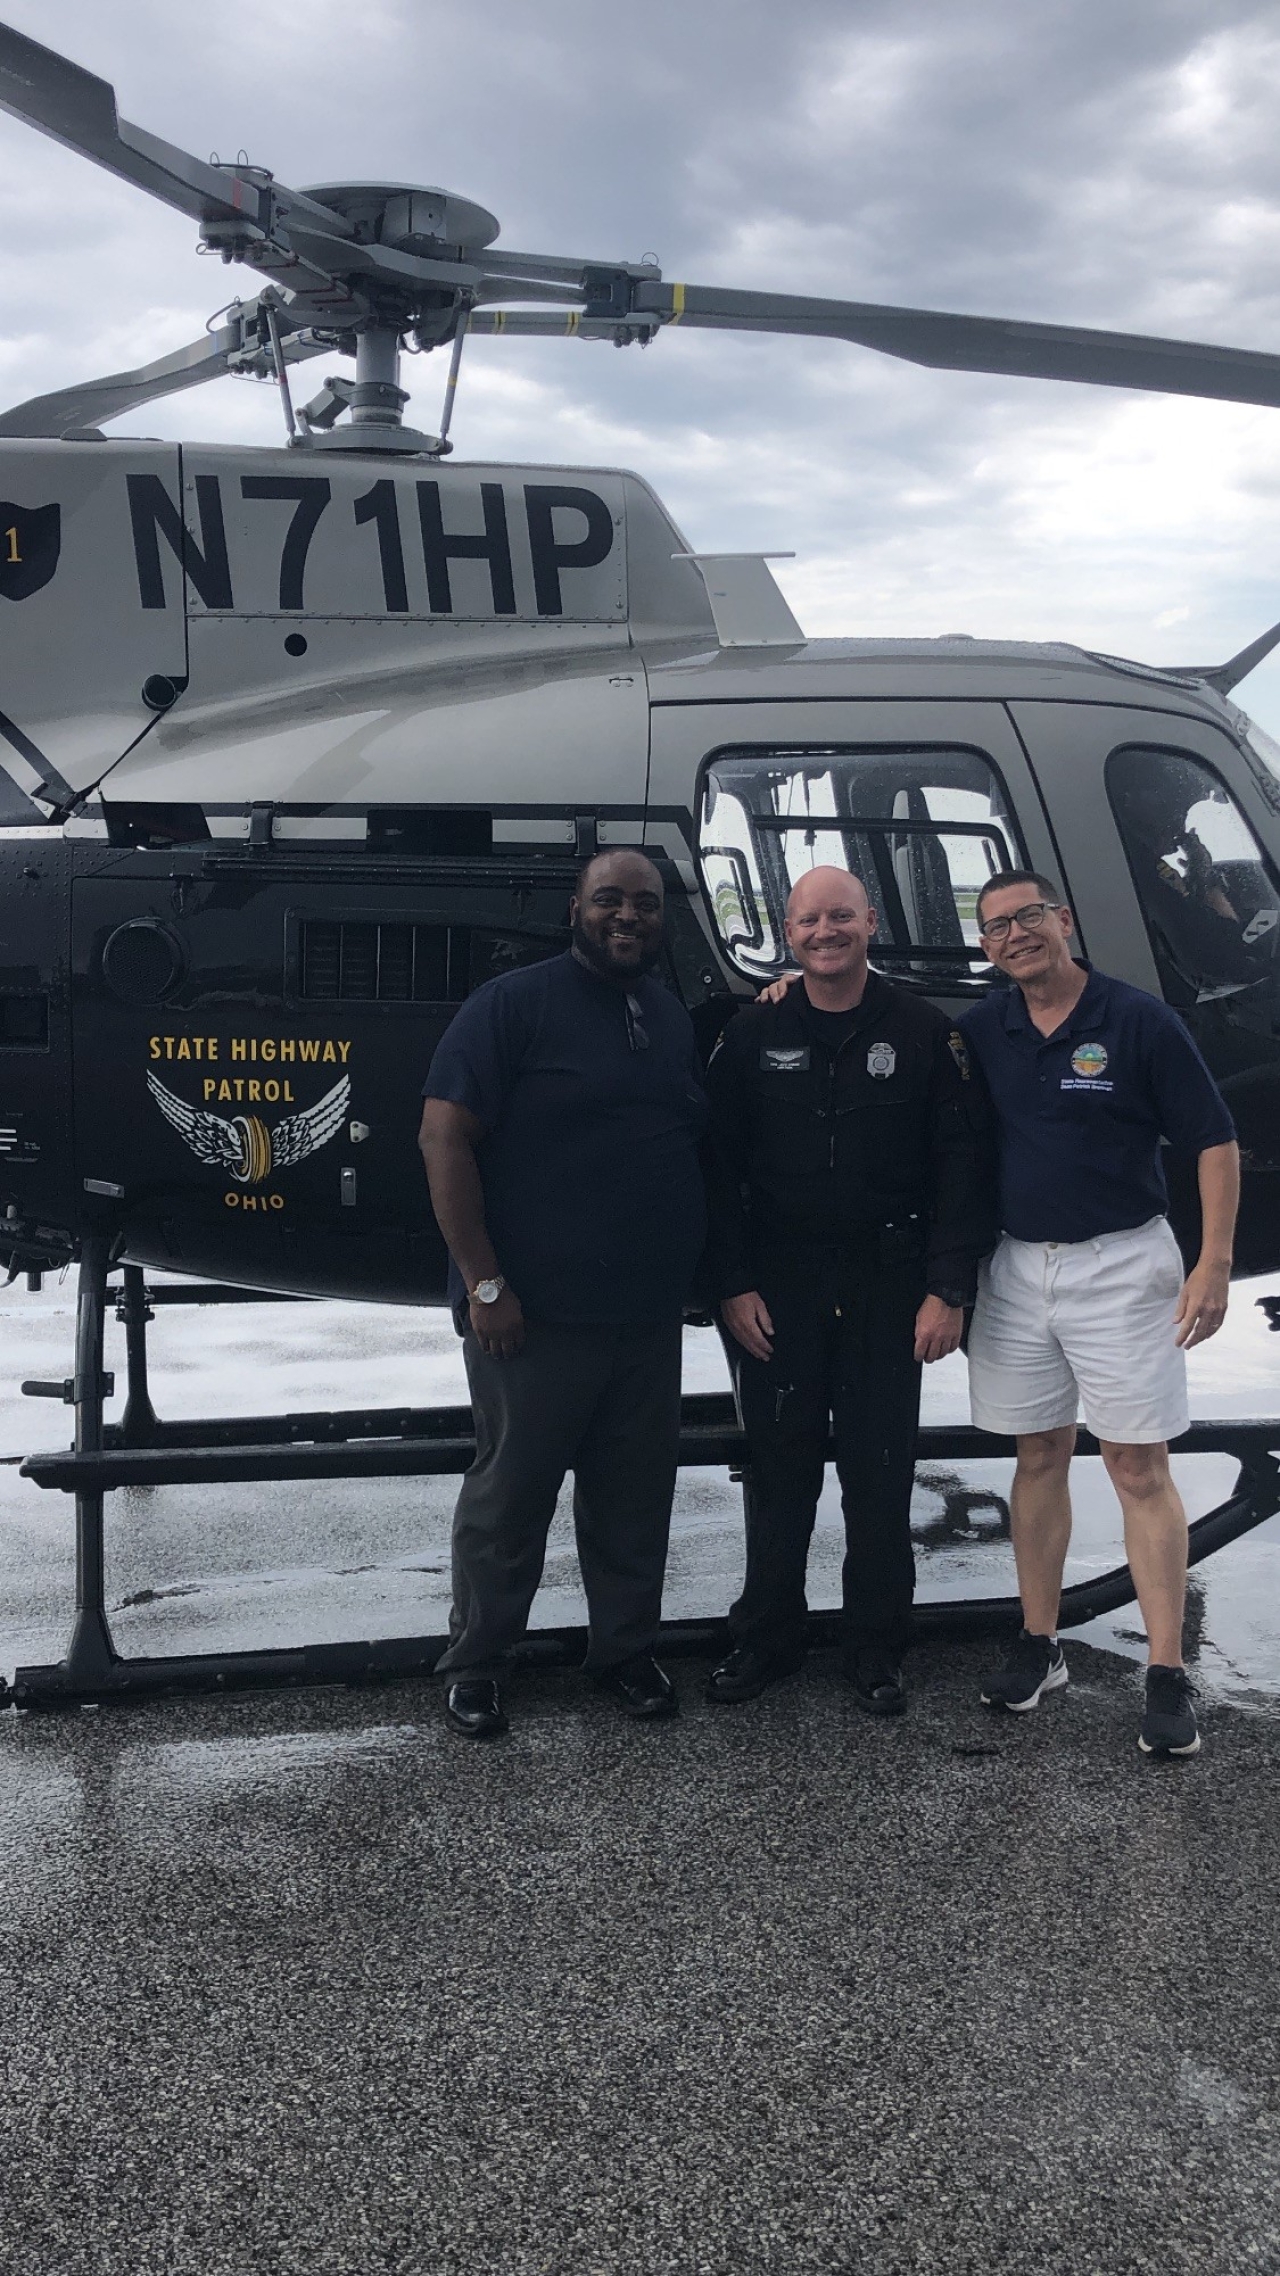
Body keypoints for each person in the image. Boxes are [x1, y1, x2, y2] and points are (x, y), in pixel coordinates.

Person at [418, 849, 708, 1738]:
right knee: (509, 1502)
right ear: (574, 910)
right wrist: (485, 1283)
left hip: (645, 1317)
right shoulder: (512, 1006)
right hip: (531, 1320)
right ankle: (476, 1663)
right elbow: (443, 1139)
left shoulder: (665, 1014)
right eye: (609, 901)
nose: (629, 917)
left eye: (647, 905)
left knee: (632, 1501)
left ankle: (624, 1653)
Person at [961, 868, 1239, 1757]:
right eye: (997, 926)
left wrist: (1214, 1265)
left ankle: (1166, 1672)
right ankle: (1040, 1646)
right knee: (1038, 1452)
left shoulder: (1138, 1020)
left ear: (1063, 919)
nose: (1016, 935)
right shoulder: (981, 1029)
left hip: (1123, 1264)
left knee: (1137, 1467)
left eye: (1029, 916)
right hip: (1017, 1266)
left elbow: (1213, 1140)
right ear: (986, 945)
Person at [704, 865, 994, 1714]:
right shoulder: (753, 1034)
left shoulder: (923, 1031)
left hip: (887, 1283)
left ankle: (875, 1645)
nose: (824, 932)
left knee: (879, 1472)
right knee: (779, 1468)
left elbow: (963, 1168)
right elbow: (714, 1167)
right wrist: (730, 1283)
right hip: (778, 1287)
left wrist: (949, 1288)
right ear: (785, 933)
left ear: (870, 920)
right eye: (807, 921)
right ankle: (767, 1637)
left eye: (840, 916)